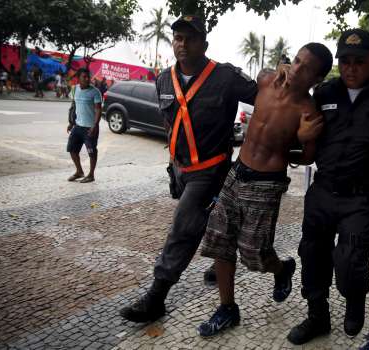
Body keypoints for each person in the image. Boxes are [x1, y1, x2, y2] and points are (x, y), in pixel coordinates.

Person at [119, 15, 258, 323]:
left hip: (211, 169)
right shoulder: (164, 79)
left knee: (183, 228)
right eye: (178, 38)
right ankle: (222, 258)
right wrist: (172, 166)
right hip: (182, 169)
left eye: (190, 38)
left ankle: (157, 296)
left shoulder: (226, 77)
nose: (182, 44)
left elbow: (267, 101)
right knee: (209, 219)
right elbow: (171, 125)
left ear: (204, 44)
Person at [286, 29, 369, 345]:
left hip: (363, 197)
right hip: (322, 192)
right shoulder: (325, 93)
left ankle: (355, 300)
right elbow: (299, 133)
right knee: (313, 256)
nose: (351, 68)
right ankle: (317, 317)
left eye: (359, 61)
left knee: (349, 262)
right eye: (345, 61)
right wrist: (298, 137)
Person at [196, 43, 332, 337]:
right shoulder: (268, 80)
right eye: (296, 61)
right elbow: (260, 73)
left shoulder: (308, 111)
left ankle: (282, 269)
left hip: (267, 182)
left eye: (306, 68)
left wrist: (293, 142)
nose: (297, 69)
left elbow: (308, 157)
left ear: (317, 79)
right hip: (237, 170)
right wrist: (274, 69)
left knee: (253, 253)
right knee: (220, 240)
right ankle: (227, 308)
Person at [66, 68, 102, 183]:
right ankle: (79, 171)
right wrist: (71, 122)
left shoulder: (95, 92)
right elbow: (74, 106)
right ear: (78, 78)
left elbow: (98, 110)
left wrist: (94, 126)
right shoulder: (74, 89)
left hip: (89, 127)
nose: (87, 79)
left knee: (92, 152)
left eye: (88, 77)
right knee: (72, 149)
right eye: (84, 77)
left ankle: (91, 175)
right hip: (77, 126)